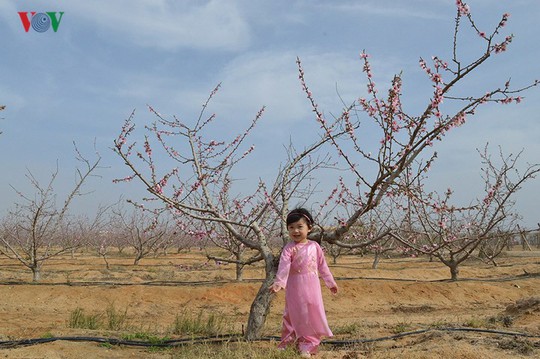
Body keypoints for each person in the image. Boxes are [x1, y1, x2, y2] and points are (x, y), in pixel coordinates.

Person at [269, 208, 338, 358]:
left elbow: (322, 266)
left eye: (300, 227)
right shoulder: (289, 248)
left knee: (311, 314)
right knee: (292, 314)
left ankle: (308, 345)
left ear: (309, 228)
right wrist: (279, 283)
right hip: (294, 286)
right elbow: (284, 266)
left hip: (312, 286)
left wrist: (330, 282)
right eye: (291, 227)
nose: (296, 231)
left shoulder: (315, 246)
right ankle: (287, 343)